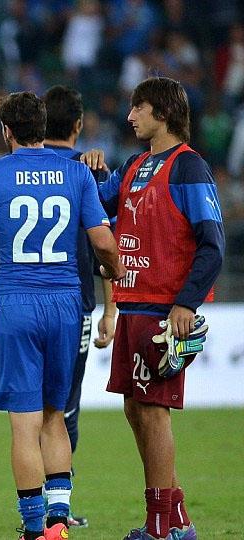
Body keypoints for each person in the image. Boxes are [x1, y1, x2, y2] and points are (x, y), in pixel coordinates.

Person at [0, 92, 123, 540]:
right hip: (66, 304)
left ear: (6, 131)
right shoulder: (76, 174)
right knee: (55, 415)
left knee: (24, 421)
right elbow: (103, 240)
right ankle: (59, 521)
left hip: (17, 303)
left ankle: (35, 527)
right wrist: (116, 280)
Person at [95, 77, 223, 540]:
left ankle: (160, 526)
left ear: (163, 113)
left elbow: (213, 244)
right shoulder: (133, 165)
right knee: (135, 410)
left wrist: (186, 303)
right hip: (131, 303)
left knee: (153, 411)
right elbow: (97, 206)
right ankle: (178, 519)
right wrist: (88, 170)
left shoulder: (189, 168)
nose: (130, 117)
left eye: (138, 108)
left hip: (163, 309)